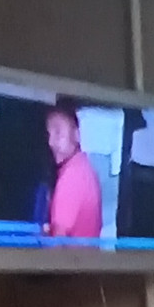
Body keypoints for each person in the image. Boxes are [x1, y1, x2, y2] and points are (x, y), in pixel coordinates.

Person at [44, 99, 104, 241]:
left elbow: (57, 244)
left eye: (58, 132)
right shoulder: (83, 166)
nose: (51, 142)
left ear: (77, 135)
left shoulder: (72, 176)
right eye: (49, 134)